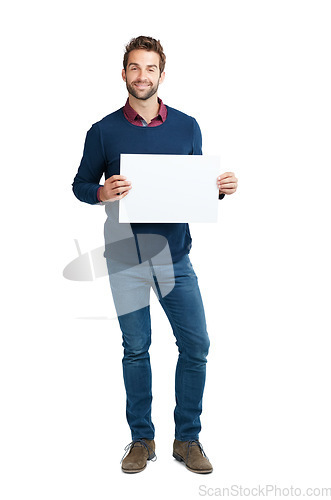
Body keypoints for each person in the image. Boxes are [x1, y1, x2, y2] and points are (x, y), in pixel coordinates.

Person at [72, 35, 238, 474]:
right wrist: (101, 191)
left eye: (150, 68)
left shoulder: (187, 126)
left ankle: (187, 439)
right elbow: (80, 185)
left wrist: (217, 190)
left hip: (175, 257)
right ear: (123, 73)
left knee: (197, 345)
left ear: (162, 74)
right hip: (125, 257)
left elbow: (192, 187)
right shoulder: (104, 130)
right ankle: (141, 439)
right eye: (134, 68)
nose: (141, 76)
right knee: (136, 348)